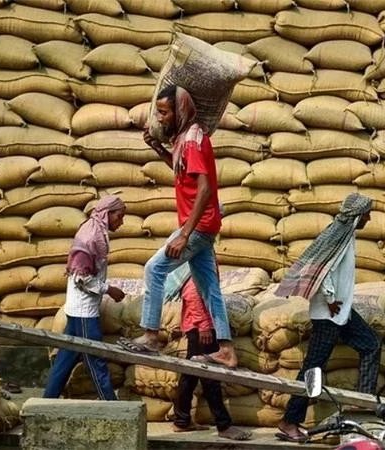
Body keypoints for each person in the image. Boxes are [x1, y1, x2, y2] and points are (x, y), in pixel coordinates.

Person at [119, 85, 237, 368]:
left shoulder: (194, 141)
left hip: (198, 226)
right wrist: (158, 147)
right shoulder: (186, 138)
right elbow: (181, 168)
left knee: (154, 268)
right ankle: (227, 349)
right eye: (158, 112)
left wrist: (184, 235)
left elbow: (205, 188)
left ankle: (150, 334)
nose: (160, 118)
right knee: (209, 288)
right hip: (202, 226)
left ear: (179, 110)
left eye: (164, 112)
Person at [274, 193, 380, 443]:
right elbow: (325, 269)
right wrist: (331, 299)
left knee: (371, 344)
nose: (369, 218)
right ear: (357, 215)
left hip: (339, 312)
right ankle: (290, 421)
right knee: (314, 366)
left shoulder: (345, 234)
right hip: (329, 313)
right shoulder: (338, 235)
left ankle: (362, 404)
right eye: (367, 213)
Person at [43, 195, 127, 400]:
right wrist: (109, 290)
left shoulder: (97, 231)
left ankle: (45, 402)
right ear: (108, 213)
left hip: (79, 308)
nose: (122, 221)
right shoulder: (90, 236)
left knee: (65, 359)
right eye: (120, 216)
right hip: (83, 312)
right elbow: (81, 277)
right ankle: (113, 408)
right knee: (95, 360)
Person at [170, 271, 252, 441]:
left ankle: (182, 420)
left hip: (196, 326)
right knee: (210, 376)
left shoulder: (197, 257)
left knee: (190, 375)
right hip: (202, 329)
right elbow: (192, 293)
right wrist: (204, 325)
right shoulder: (197, 257)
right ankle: (224, 425)